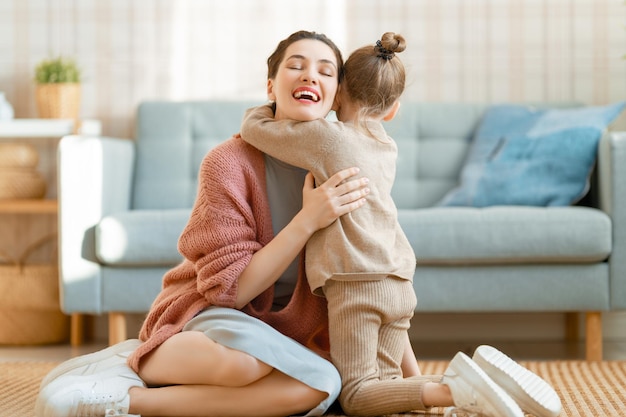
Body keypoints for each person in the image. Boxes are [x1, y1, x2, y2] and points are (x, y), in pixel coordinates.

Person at [35, 30, 561, 417]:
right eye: (295, 65)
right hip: (213, 317)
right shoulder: (228, 161)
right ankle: (141, 364)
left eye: (326, 71)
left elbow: (372, 276)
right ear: (271, 83)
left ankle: (129, 404)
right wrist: (309, 220)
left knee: (320, 389)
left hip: (283, 341)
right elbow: (229, 291)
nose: (310, 74)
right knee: (244, 367)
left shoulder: (344, 161)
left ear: (339, 98)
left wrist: (414, 380)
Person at [239, 32, 562, 417]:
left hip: (357, 283)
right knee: (387, 385)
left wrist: (259, 107)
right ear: (392, 111)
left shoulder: (327, 139)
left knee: (356, 395)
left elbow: (257, 131)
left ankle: (456, 390)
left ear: (337, 95)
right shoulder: (385, 146)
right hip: (399, 281)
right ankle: (486, 387)